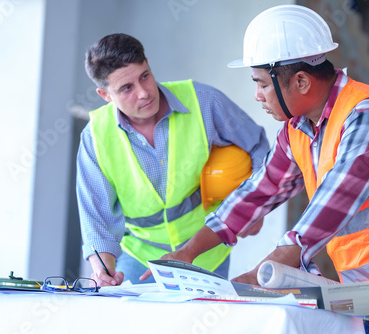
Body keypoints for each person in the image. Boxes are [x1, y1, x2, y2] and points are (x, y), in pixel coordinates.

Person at [141, 5, 369, 333]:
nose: (257, 95)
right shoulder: (299, 130)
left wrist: (261, 273)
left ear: (302, 81)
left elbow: (332, 206)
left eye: (262, 84)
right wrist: (187, 252)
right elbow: (258, 191)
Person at [77, 33, 270, 287]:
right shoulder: (95, 137)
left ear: (148, 62)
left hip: (206, 253)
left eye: (145, 76)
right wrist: (103, 271)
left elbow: (258, 147)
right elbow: (97, 219)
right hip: (140, 259)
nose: (144, 93)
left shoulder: (203, 101)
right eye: (127, 88)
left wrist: (255, 208)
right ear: (105, 95)